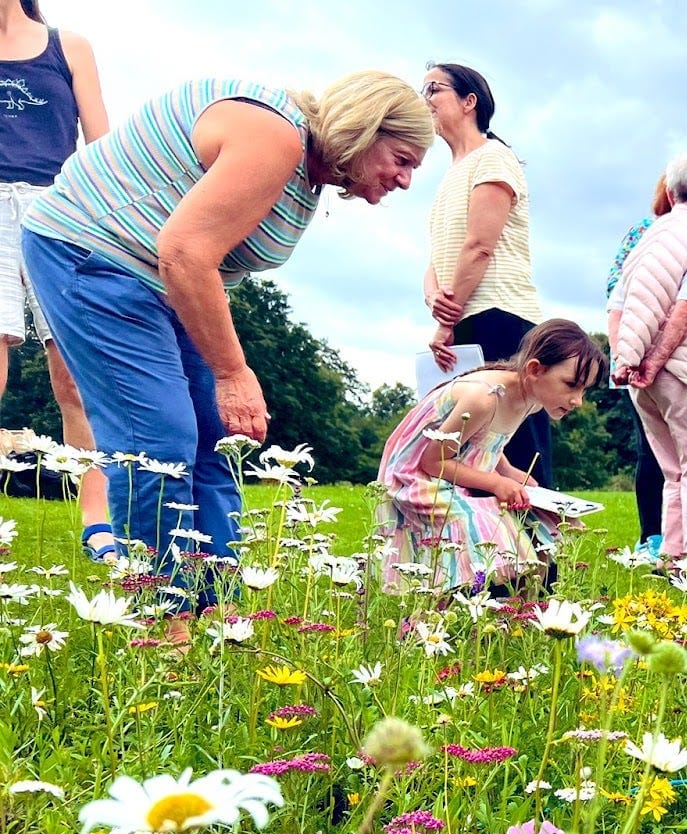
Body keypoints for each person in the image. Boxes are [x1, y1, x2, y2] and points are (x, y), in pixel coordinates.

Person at [22, 71, 433, 623]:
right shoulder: (275, 137)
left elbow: (201, 261)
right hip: (93, 257)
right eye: (403, 159)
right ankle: (161, 623)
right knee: (158, 440)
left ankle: (217, 611)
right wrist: (233, 373)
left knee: (217, 441)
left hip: (161, 283)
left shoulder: (304, 173)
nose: (405, 180)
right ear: (365, 130)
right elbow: (186, 252)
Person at [376, 318, 604, 593]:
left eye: (584, 389)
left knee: (549, 517)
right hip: (416, 478)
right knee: (482, 522)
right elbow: (432, 461)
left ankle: (526, 607)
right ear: (535, 369)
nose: (578, 400)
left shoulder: (531, 401)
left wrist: (507, 471)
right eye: (571, 385)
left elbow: (487, 440)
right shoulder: (484, 398)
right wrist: (496, 483)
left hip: (456, 472)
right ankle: (439, 609)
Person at [0, 0, 111, 559]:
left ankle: (98, 521)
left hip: (58, 205)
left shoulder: (67, 47)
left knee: (72, 370)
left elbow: (104, 148)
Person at [420, 62, 552, 490]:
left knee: (516, 450)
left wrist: (444, 322)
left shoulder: (494, 158)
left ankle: (543, 555)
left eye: (433, 90)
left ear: (469, 101)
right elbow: (438, 257)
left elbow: (479, 247)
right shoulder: (449, 176)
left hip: (502, 318)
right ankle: (482, 554)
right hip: (464, 320)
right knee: (469, 451)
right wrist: (434, 300)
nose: (424, 101)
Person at [610, 149, 687, 572]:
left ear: (670, 190)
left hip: (640, 375)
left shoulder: (646, 239)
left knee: (675, 472)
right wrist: (658, 359)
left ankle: (672, 557)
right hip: (685, 371)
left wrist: (629, 364)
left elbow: (619, 304)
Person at [605, 175, 671, 559]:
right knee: (651, 449)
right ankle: (652, 536)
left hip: (684, 359)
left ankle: (684, 534)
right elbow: (615, 287)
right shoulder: (644, 232)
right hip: (640, 356)